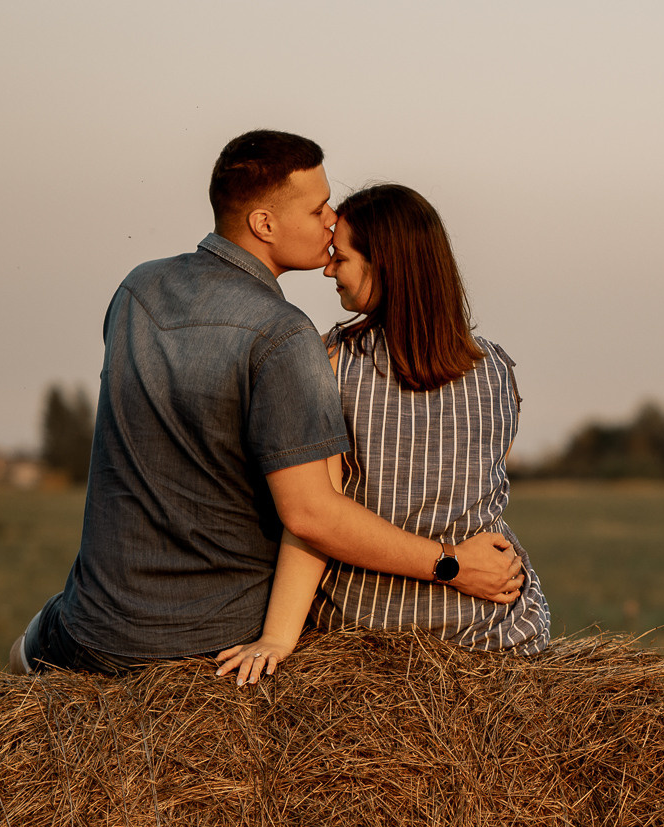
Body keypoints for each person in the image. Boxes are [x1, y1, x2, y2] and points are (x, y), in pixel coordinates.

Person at [9, 131, 525, 676]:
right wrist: (452, 565)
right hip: (216, 636)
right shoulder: (285, 337)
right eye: (317, 207)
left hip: (96, 628)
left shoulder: (136, 289)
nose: (331, 220)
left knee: (25, 651)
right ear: (264, 224)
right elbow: (310, 514)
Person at [214, 184, 550, 685]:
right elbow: (481, 492)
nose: (329, 270)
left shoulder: (330, 363)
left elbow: (314, 517)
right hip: (493, 627)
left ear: (384, 266)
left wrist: (279, 638)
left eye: (341, 258)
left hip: (367, 629)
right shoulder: (496, 368)